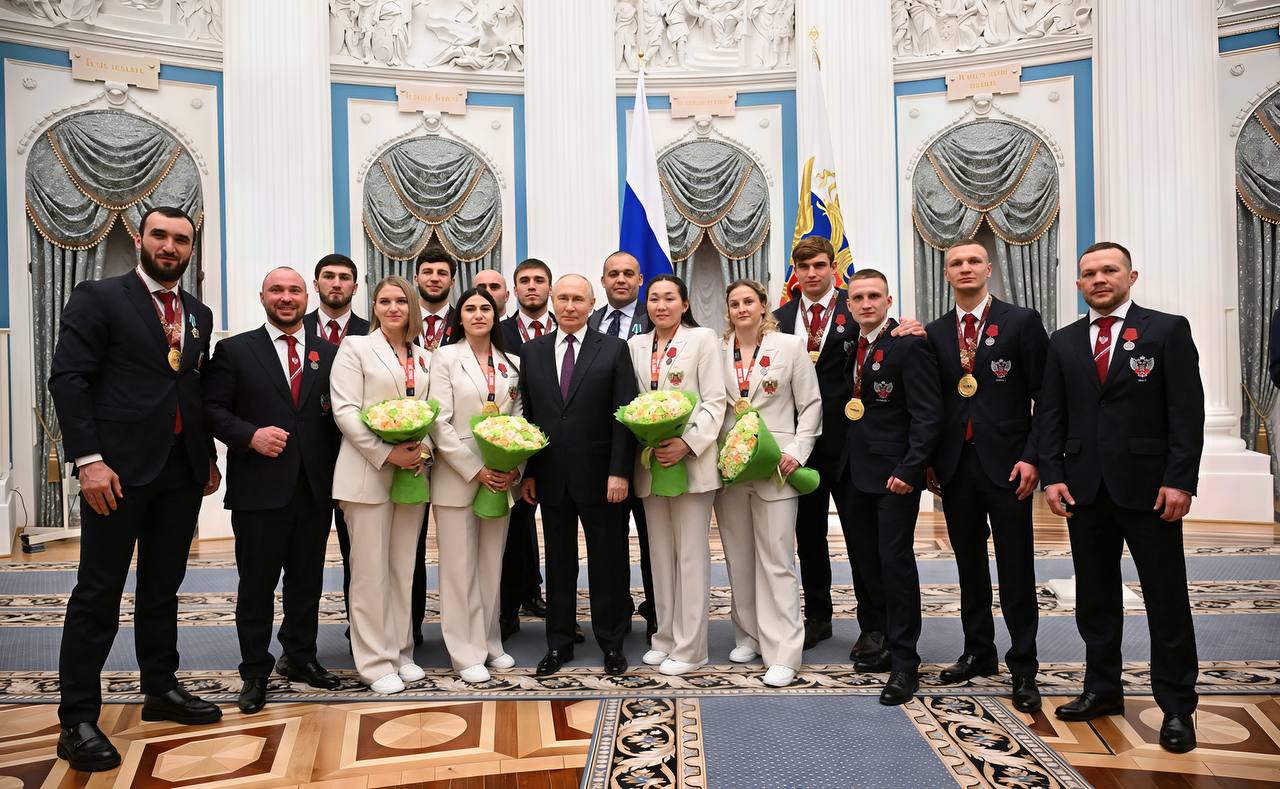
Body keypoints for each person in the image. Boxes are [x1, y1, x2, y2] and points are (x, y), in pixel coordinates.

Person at [48, 206, 221, 772]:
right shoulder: (98, 297)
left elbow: (188, 387)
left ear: (191, 248)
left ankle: (161, 688)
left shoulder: (198, 313)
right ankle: (77, 720)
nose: (170, 246)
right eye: (160, 236)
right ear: (140, 239)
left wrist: (205, 457)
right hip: (115, 473)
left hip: (178, 472)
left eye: (181, 239)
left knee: (162, 588)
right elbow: (69, 379)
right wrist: (89, 461)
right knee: (98, 593)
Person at [1039, 241, 1204, 754]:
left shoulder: (1166, 330)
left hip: (1151, 489)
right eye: (1089, 273)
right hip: (1084, 489)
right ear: (1078, 284)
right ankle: (1103, 688)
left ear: (1131, 276)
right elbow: (1051, 414)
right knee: (1095, 597)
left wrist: (1181, 480)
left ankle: (1177, 706)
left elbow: (1186, 411)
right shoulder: (1064, 341)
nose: (1099, 279)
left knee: (1166, 598)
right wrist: (1052, 475)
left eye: (1109, 270)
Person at [203, 267, 343, 714]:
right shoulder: (235, 351)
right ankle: (254, 671)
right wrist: (249, 436)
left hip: (314, 490)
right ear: (262, 296)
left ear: (308, 297)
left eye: (294, 290)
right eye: (277, 290)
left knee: (307, 583)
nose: (286, 297)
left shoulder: (329, 353)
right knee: (257, 586)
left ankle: (300, 657)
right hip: (259, 491)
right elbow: (211, 409)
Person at [922, 241, 1047, 713]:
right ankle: (978, 651)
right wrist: (931, 460)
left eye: (973, 261)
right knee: (969, 566)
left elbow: (1046, 397)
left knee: (1016, 567)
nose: (965, 268)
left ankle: (1023, 665)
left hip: (1010, 466)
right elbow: (932, 403)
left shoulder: (1021, 322)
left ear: (988, 268)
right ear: (947, 274)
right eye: (956, 263)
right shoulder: (935, 332)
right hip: (956, 467)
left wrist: (1034, 458)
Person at [520, 274, 638, 677]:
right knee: (559, 563)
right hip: (551, 476)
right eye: (563, 298)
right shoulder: (532, 352)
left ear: (591, 305)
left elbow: (624, 415)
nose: (570, 306)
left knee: (608, 562)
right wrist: (530, 471)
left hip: (602, 477)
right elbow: (529, 416)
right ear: (553, 302)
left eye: (578, 299)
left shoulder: (614, 349)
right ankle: (559, 643)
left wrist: (619, 471)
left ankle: (612, 643)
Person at [837, 268, 941, 706]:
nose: (866, 303)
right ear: (848, 305)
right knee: (865, 563)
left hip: (894, 476)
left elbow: (927, 413)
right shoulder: (850, 344)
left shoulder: (909, 344)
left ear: (888, 300)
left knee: (895, 565)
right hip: (852, 473)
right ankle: (878, 641)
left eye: (874, 296)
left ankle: (905, 662)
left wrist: (912, 468)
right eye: (858, 297)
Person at [713, 279, 821, 687]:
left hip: (778, 464)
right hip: (730, 465)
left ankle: (784, 653)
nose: (742, 309)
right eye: (734, 303)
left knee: (776, 559)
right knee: (738, 557)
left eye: (749, 301)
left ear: (763, 306)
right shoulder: (716, 350)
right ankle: (749, 635)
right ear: (728, 311)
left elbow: (810, 405)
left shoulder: (790, 347)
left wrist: (797, 451)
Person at [772, 237, 874, 655]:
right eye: (804, 266)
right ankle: (818, 617)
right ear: (795, 272)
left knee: (861, 538)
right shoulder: (778, 318)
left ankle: (873, 625)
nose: (811, 273)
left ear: (834, 266)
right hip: (800, 446)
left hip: (851, 445)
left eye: (818, 265)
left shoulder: (858, 306)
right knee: (808, 537)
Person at [330, 276, 432, 694]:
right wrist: (386, 452)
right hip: (366, 472)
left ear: (412, 308)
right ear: (374, 307)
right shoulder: (355, 348)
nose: (393, 308)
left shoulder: (425, 358)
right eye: (384, 301)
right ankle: (373, 662)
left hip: (411, 473)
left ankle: (401, 651)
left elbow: (434, 413)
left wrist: (422, 451)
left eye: (401, 301)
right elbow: (345, 411)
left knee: (402, 568)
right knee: (370, 572)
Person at [627, 274, 726, 676]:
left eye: (669, 298)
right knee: (660, 555)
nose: (661, 305)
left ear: (684, 304)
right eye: (654, 299)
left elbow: (715, 402)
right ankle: (664, 636)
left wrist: (686, 443)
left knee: (689, 555)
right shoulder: (635, 345)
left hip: (692, 462)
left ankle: (691, 648)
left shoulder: (702, 339)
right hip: (652, 463)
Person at [428, 287, 522, 684]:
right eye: (470, 308)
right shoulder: (444, 357)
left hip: (500, 476)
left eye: (486, 308)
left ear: (495, 315)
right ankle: (464, 652)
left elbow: (520, 417)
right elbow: (439, 421)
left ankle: (489, 642)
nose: (479, 314)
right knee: (459, 569)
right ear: (460, 317)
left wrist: (513, 466)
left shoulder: (512, 362)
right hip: (458, 476)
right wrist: (475, 468)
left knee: (490, 564)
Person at [589, 251, 657, 638]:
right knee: (610, 543)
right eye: (613, 273)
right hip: (605, 453)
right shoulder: (591, 321)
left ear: (640, 280)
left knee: (654, 541)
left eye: (628, 274)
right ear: (603, 281)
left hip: (651, 451)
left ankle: (657, 612)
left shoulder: (658, 316)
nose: (620, 280)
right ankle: (618, 612)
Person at [302, 253, 369, 646]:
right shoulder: (295, 327)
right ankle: (301, 647)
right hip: (307, 462)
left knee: (360, 556)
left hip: (359, 458)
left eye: (345, 278)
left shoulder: (372, 332)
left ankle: (361, 633)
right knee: (305, 561)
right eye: (328, 276)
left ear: (355, 288)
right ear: (316, 284)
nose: (336, 283)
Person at [497, 259, 554, 639]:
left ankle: (545, 600)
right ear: (514, 290)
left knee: (560, 533)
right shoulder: (498, 332)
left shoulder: (570, 326)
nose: (532, 286)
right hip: (514, 447)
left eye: (539, 280)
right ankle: (507, 611)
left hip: (562, 447)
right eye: (524, 281)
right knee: (513, 529)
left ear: (549, 287)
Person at [410, 245, 456, 644]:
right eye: (428, 272)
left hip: (457, 453)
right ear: (417, 278)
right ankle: (408, 625)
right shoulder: (399, 321)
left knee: (461, 547)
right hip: (407, 450)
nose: (435, 278)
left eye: (442, 272)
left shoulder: (471, 318)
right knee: (407, 543)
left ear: (452, 281)